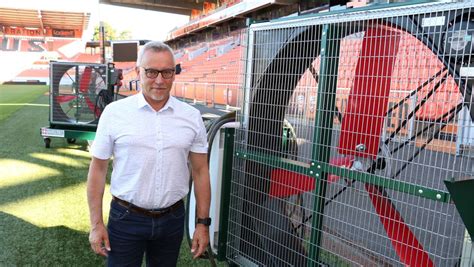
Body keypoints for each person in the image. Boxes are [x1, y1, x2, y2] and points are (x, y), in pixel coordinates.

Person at [86, 41, 211, 266]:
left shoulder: (191, 117)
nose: (160, 80)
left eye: (167, 72)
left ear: (175, 73)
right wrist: (96, 224)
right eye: (151, 72)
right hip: (125, 218)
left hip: (172, 219)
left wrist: (203, 223)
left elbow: (201, 171)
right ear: (138, 71)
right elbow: (98, 168)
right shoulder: (114, 113)